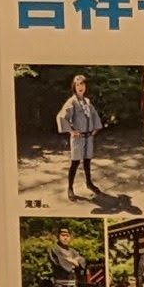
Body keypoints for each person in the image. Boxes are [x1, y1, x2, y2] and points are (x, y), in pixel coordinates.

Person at [56, 74, 105, 205]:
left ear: (85, 86)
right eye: (78, 85)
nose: (80, 87)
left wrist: (95, 128)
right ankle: (70, 188)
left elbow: (94, 115)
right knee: (75, 162)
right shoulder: (72, 101)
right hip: (78, 138)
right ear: (74, 87)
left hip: (88, 137)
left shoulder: (87, 102)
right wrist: (71, 130)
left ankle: (89, 183)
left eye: (82, 84)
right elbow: (61, 116)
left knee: (88, 161)